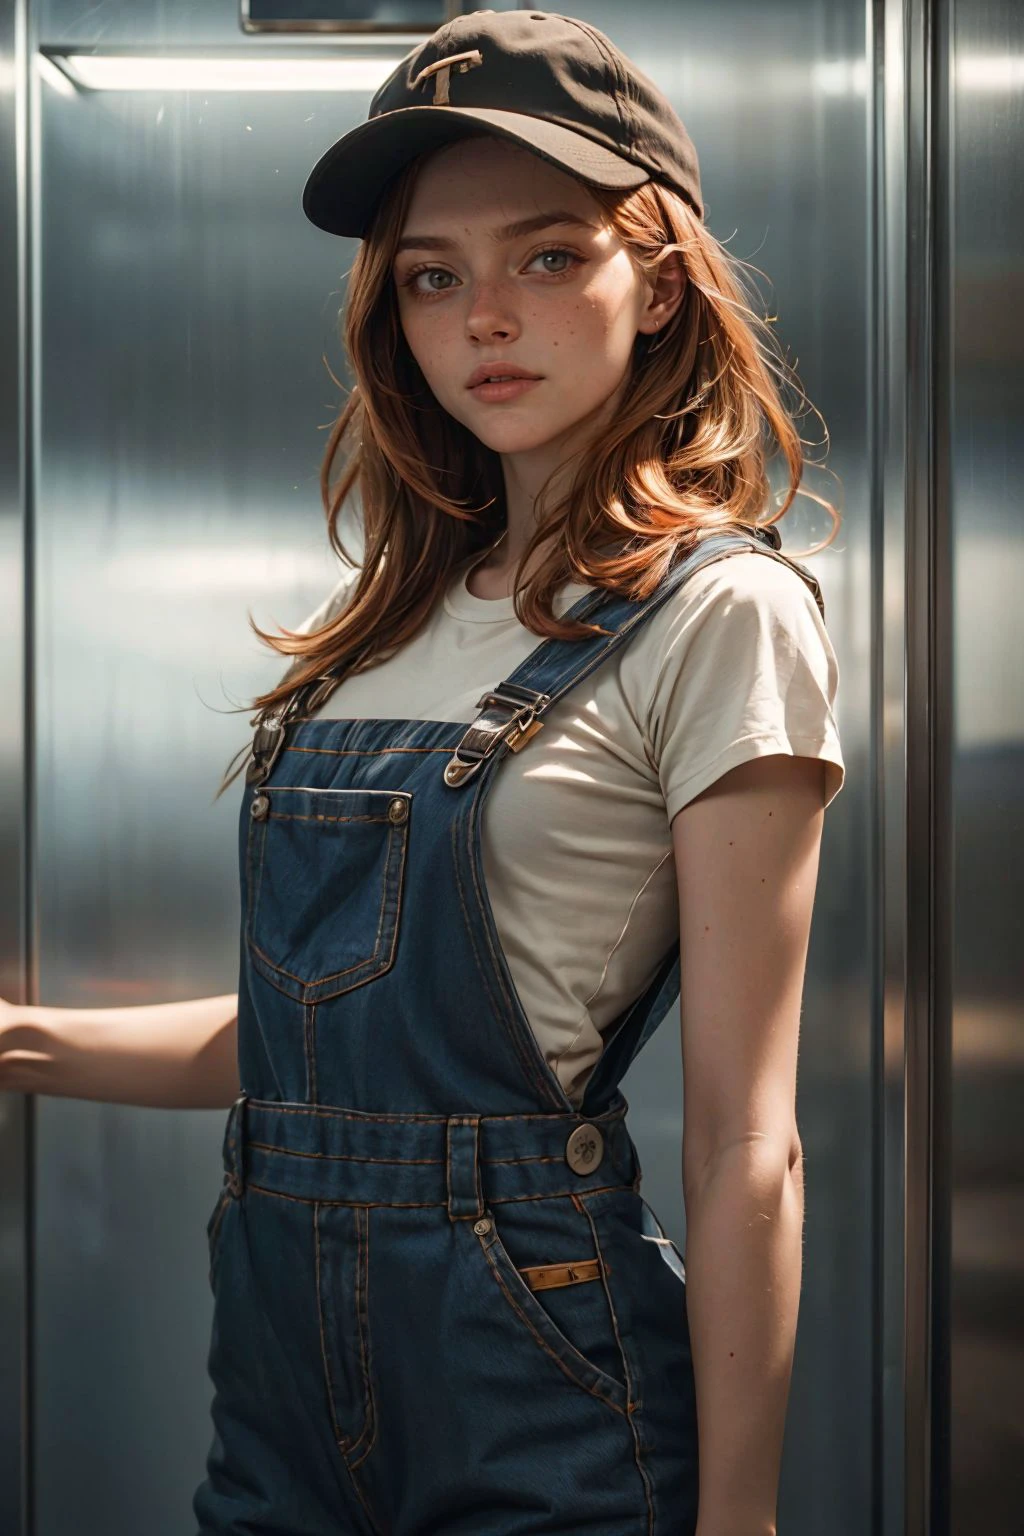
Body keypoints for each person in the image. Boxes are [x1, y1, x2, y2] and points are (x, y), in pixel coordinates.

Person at [0, 11, 846, 1535]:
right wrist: (23, 1039)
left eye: (547, 256)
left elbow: (744, 1139)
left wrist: (744, 1518)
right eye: (431, 277)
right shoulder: (392, 622)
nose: (484, 320)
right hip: (272, 1370)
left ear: (656, 280)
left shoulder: (721, 612)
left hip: (537, 1367)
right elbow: (317, 1055)